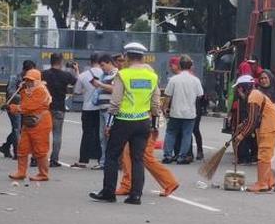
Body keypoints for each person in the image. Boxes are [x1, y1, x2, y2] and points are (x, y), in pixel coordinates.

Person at [91, 42, 159, 205]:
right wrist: (154, 123)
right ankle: (135, 195)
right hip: (143, 122)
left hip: (123, 121)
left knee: (112, 156)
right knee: (138, 159)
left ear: (127, 57)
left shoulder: (123, 75)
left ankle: (108, 192)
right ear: (142, 58)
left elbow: (115, 101)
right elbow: (155, 103)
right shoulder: (152, 76)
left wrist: (108, 123)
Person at [231, 74, 275, 192]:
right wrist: (243, 124)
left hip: (270, 126)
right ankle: (269, 181)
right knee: (268, 155)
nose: (239, 91)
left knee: (263, 155)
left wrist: (241, 136)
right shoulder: (255, 94)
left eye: (239, 88)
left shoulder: (253, 96)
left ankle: (262, 184)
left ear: (243, 87)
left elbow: (252, 121)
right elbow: (253, 116)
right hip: (273, 124)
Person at [7, 68, 52, 182]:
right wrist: (21, 90)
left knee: (40, 150)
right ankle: (21, 172)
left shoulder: (41, 90)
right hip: (29, 122)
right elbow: (24, 102)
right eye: (26, 80)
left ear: (37, 80)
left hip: (41, 122)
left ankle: (43, 174)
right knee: (22, 148)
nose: (28, 82)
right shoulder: (28, 90)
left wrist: (11, 107)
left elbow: (27, 107)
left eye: (31, 80)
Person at [162, 55, 203, 165]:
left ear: (180, 65)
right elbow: (200, 95)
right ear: (190, 67)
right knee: (187, 134)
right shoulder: (196, 80)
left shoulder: (174, 80)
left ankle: (168, 156)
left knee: (170, 133)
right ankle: (182, 157)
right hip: (190, 113)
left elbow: (167, 96)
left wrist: (164, 108)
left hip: (175, 112)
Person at [41, 54, 77, 168]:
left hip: (45, 107)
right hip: (59, 108)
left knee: (42, 134)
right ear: (61, 62)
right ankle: (54, 159)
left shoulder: (44, 74)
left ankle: (37, 157)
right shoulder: (66, 75)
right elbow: (77, 82)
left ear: (50, 61)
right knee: (57, 134)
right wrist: (76, 70)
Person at [0, 60, 36, 159]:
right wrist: (25, 95)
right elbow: (11, 93)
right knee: (17, 128)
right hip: (13, 106)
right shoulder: (14, 78)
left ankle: (6, 146)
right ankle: (17, 152)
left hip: (25, 107)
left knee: (21, 129)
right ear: (24, 70)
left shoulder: (32, 80)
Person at [75, 53, 104, 167]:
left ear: (90, 62)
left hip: (87, 108)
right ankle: (99, 158)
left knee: (86, 133)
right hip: (100, 108)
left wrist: (85, 91)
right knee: (99, 134)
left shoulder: (83, 75)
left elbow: (77, 91)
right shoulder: (105, 74)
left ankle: (83, 159)